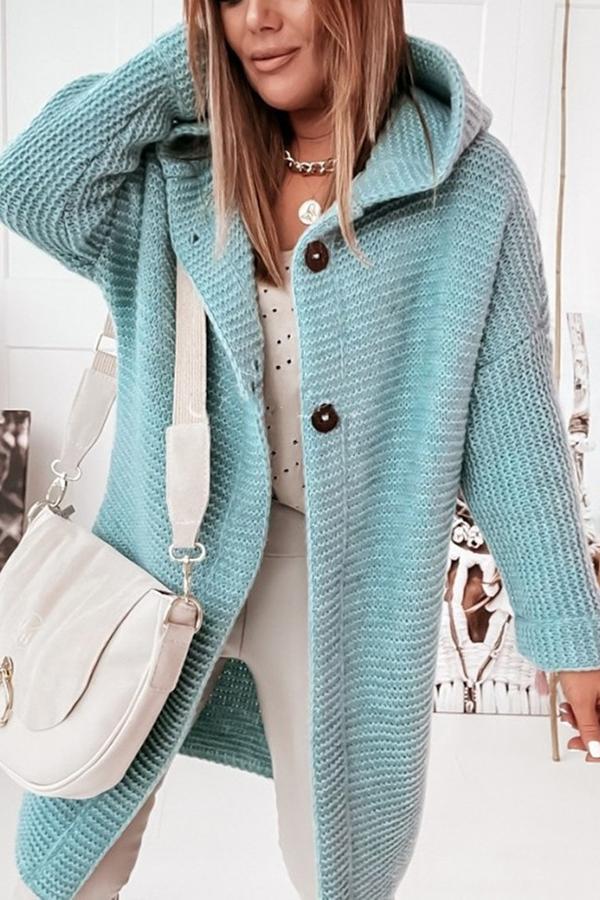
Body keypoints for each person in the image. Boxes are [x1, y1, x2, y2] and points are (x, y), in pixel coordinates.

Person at [3, 2, 600, 898]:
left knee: (339, 870)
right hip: (158, 568)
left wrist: (572, 637)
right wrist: (191, 65)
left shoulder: (468, 188)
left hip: (341, 592)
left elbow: (513, 422)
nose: (258, 18)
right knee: (74, 847)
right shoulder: (180, 168)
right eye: (227, 0)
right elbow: (29, 187)